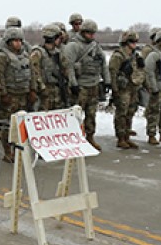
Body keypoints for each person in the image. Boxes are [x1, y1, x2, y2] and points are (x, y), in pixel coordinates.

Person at [64, 19, 111, 151]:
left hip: (94, 84)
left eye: (93, 33)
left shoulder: (96, 46)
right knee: (75, 114)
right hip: (80, 86)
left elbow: (103, 64)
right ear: (83, 32)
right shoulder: (73, 46)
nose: (92, 36)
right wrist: (73, 84)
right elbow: (69, 66)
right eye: (89, 33)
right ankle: (73, 138)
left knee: (91, 113)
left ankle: (90, 137)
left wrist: (107, 80)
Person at [0, 27, 36, 163]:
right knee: (7, 125)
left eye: (19, 40)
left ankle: (18, 151)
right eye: (14, 41)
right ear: (8, 42)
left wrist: (32, 90)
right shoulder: (2, 57)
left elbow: (32, 75)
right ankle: (7, 152)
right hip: (10, 95)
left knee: (21, 126)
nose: (18, 43)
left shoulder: (25, 56)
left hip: (23, 94)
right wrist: (3, 93)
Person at [109, 31, 146, 149]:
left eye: (136, 41)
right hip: (122, 88)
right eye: (132, 41)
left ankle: (127, 136)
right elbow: (112, 73)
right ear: (125, 42)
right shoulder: (118, 56)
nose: (134, 44)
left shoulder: (135, 56)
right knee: (122, 113)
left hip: (133, 87)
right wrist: (114, 90)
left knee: (131, 112)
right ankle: (120, 138)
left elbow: (140, 72)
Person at [30, 23, 73, 111]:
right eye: (59, 38)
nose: (61, 40)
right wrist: (41, 87)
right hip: (43, 93)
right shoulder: (38, 53)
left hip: (57, 91)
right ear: (53, 38)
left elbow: (65, 71)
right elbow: (34, 73)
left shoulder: (58, 53)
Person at [143, 29, 161, 144]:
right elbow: (149, 72)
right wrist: (153, 87)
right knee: (154, 111)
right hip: (157, 88)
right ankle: (151, 134)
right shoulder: (153, 55)